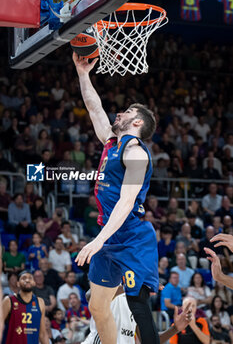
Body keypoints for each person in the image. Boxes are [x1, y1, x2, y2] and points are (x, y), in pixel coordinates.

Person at [73, 54, 160, 344]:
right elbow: (94, 108)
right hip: (109, 234)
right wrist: (82, 73)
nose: (118, 114)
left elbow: (125, 202)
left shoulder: (136, 153)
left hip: (132, 236)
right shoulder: (112, 142)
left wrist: (97, 241)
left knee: (138, 306)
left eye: (125, 112)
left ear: (136, 121)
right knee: (98, 307)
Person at [82, 286, 192, 344]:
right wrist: (130, 286)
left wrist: (175, 328)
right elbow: (90, 296)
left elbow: (147, 340)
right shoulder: (114, 283)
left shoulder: (140, 301)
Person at [2, 270, 49, 344]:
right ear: (17, 283)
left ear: (34, 283)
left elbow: (42, 333)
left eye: (30, 278)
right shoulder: (9, 300)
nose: (27, 280)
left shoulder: (40, 302)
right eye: (23, 278)